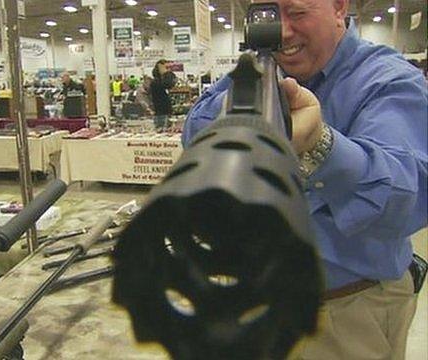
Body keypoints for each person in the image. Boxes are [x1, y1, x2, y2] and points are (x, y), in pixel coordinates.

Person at [182, 1, 427, 359]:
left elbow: (406, 197)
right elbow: (193, 130)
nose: (282, 31)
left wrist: (319, 146)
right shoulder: (264, 65)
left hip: (342, 313)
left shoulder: (387, 80)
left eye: (297, 13)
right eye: (269, 14)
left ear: (339, 8)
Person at [150, 60, 177, 130]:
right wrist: (166, 73)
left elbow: (171, 83)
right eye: (165, 67)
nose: (166, 69)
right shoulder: (155, 82)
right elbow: (167, 84)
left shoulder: (162, 80)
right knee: (161, 131)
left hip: (166, 111)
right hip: (160, 112)